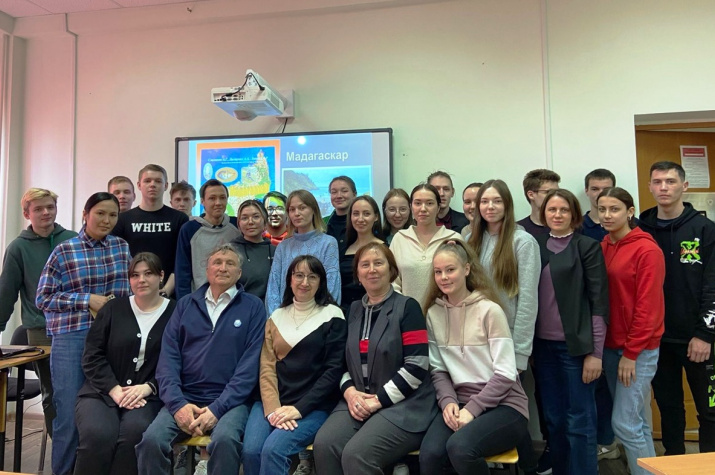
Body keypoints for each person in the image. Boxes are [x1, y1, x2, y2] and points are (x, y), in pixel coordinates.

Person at [136, 244, 267, 475]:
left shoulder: (254, 307)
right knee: (151, 441)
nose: (222, 268)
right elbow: (168, 361)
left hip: (231, 402)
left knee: (225, 441)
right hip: (186, 397)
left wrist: (217, 408)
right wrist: (178, 405)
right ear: (207, 270)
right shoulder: (185, 305)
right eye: (217, 262)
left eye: (230, 263)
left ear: (239, 273)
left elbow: (249, 369)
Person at [313, 243, 437, 474]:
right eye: (365, 265)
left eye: (378, 263)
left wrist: (378, 401)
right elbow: (340, 363)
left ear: (391, 270)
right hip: (359, 398)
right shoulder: (352, 310)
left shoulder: (408, 307)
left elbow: (417, 366)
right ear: (358, 275)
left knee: (357, 455)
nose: (372, 269)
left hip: (405, 404)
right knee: (325, 445)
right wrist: (350, 393)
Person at [419, 240, 535, 475]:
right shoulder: (433, 314)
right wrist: (448, 402)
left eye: (450, 269)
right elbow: (438, 370)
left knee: (460, 448)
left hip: (505, 405)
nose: (444, 277)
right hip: (459, 402)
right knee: (430, 455)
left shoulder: (490, 310)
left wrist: (472, 409)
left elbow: (506, 374)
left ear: (467, 269)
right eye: (438, 272)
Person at [36, 192, 131, 475]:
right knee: (68, 414)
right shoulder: (65, 250)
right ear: (85, 215)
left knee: (109, 411)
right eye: (100, 213)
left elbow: (129, 292)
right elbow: (43, 298)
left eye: (112, 215)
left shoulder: (121, 247)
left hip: (113, 339)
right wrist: (87, 299)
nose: (106, 220)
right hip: (73, 337)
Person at [243, 255, 346, 475]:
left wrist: (299, 409)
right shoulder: (276, 317)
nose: (305, 282)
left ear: (321, 282)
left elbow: (333, 371)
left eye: (312, 276)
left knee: (273, 450)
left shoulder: (333, 315)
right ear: (289, 280)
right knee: (251, 451)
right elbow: (267, 367)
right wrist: (273, 409)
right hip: (272, 402)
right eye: (299, 275)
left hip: (313, 405)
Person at [74, 252, 175, 475]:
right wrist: (114, 389)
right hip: (102, 391)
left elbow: (181, 361)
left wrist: (150, 386)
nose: (141, 280)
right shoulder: (112, 309)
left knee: (135, 434)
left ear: (161, 276)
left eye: (148, 274)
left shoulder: (176, 313)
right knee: (98, 434)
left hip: (148, 395)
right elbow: (91, 356)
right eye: (135, 275)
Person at [639, 161, 715, 455]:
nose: (664, 187)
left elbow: (713, 286)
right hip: (657, 340)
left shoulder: (705, 229)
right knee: (669, 409)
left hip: (699, 340)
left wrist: (705, 334)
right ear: (650, 187)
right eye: (658, 182)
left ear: (684, 186)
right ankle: (673, 464)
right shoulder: (640, 230)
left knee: (710, 410)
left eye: (670, 181)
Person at [532, 189, 609, 475]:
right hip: (543, 349)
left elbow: (599, 304)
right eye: (552, 209)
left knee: (580, 421)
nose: (558, 214)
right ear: (544, 213)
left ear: (574, 214)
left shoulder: (587, 247)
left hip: (576, 351)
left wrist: (595, 354)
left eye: (564, 209)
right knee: (554, 420)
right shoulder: (534, 247)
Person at [598, 187, 665, 475]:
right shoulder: (603, 246)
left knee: (625, 424)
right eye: (602, 209)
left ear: (630, 211)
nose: (607, 215)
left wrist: (632, 353)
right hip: (612, 347)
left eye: (614, 209)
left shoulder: (647, 250)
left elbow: (648, 308)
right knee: (637, 422)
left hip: (638, 351)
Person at [0, 188, 77, 437]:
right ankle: (62, 451)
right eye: (39, 209)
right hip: (40, 330)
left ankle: (83, 448)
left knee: (81, 390)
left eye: (50, 207)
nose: (46, 212)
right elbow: (6, 292)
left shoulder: (73, 239)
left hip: (76, 326)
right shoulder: (18, 248)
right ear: (27, 213)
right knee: (52, 392)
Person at [467, 179, 539, 373]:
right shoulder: (469, 241)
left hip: (507, 341)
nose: (490, 206)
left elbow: (528, 302)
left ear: (507, 204)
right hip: (475, 341)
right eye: (484, 201)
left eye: (497, 201)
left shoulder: (523, 242)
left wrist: (520, 353)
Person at [112, 164, 189, 296]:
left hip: (168, 292)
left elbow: (182, 260)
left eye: (158, 181)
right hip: (133, 292)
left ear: (166, 186)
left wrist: (166, 290)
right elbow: (118, 262)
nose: (152, 185)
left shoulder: (179, 219)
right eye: (147, 181)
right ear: (139, 185)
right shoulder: (123, 220)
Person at [265, 190, 341, 315]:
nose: (297, 213)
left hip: (318, 317)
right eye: (292, 209)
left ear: (313, 210)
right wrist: (277, 318)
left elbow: (332, 286)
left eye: (302, 208)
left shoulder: (328, 243)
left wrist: (317, 318)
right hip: (285, 318)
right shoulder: (283, 247)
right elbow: (273, 287)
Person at [389, 183, 462, 305]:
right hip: (407, 312)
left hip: (445, 311)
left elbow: (462, 281)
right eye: (417, 203)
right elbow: (392, 280)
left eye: (429, 203)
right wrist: (403, 308)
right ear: (411, 207)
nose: (423, 209)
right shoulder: (399, 239)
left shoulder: (454, 238)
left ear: (438, 207)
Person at [175, 179, 240, 299]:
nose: (218, 203)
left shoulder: (237, 226)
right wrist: (184, 304)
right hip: (200, 300)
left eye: (222, 198)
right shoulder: (189, 229)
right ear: (202, 201)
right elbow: (182, 273)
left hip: (233, 299)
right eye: (212, 198)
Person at [340, 196, 384, 314]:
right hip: (346, 312)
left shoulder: (385, 248)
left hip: (376, 310)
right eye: (356, 214)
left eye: (366, 214)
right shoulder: (343, 248)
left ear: (376, 217)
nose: (360, 219)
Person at [233, 200, 276, 300]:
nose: (250, 222)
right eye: (244, 218)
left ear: (265, 221)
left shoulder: (276, 251)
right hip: (241, 306)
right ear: (239, 223)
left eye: (256, 217)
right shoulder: (231, 252)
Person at [517, 169, 561, 236]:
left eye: (557, 192)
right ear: (531, 195)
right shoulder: (518, 230)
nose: (555, 196)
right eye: (548, 192)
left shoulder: (567, 226)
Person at [324, 176, 357, 253]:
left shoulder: (360, 222)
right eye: (334, 192)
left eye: (344, 191)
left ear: (354, 194)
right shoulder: (322, 223)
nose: (339, 196)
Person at [582, 169, 616, 242]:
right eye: (595, 189)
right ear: (586, 191)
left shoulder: (629, 224)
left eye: (606, 189)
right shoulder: (577, 227)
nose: (601, 194)